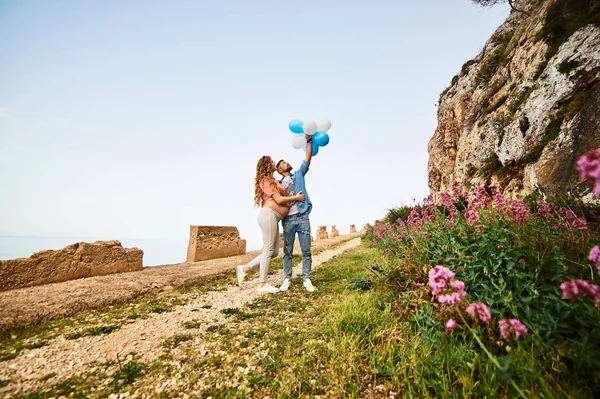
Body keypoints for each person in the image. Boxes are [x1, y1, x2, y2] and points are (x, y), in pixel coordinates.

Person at [236, 155, 305, 293]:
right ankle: (262, 284)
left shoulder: (273, 180)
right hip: (269, 215)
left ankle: (244, 269)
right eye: (272, 162)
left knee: (273, 252)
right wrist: (296, 198)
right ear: (268, 166)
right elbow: (279, 200)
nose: (275, 162)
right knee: (268, 250)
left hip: (273, 217)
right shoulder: (266, 181)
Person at [276, 134, 316, 292]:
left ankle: (307, 278)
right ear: (280, 170)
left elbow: (308, 158)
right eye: (284, 163)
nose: (287, 163)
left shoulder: (299, 174)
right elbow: (277, 200)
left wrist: (309, 140)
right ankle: (287, 278)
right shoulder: (277, 185)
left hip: (302, 216)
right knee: (287, 251)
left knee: (306, 250)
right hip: (288, 220)